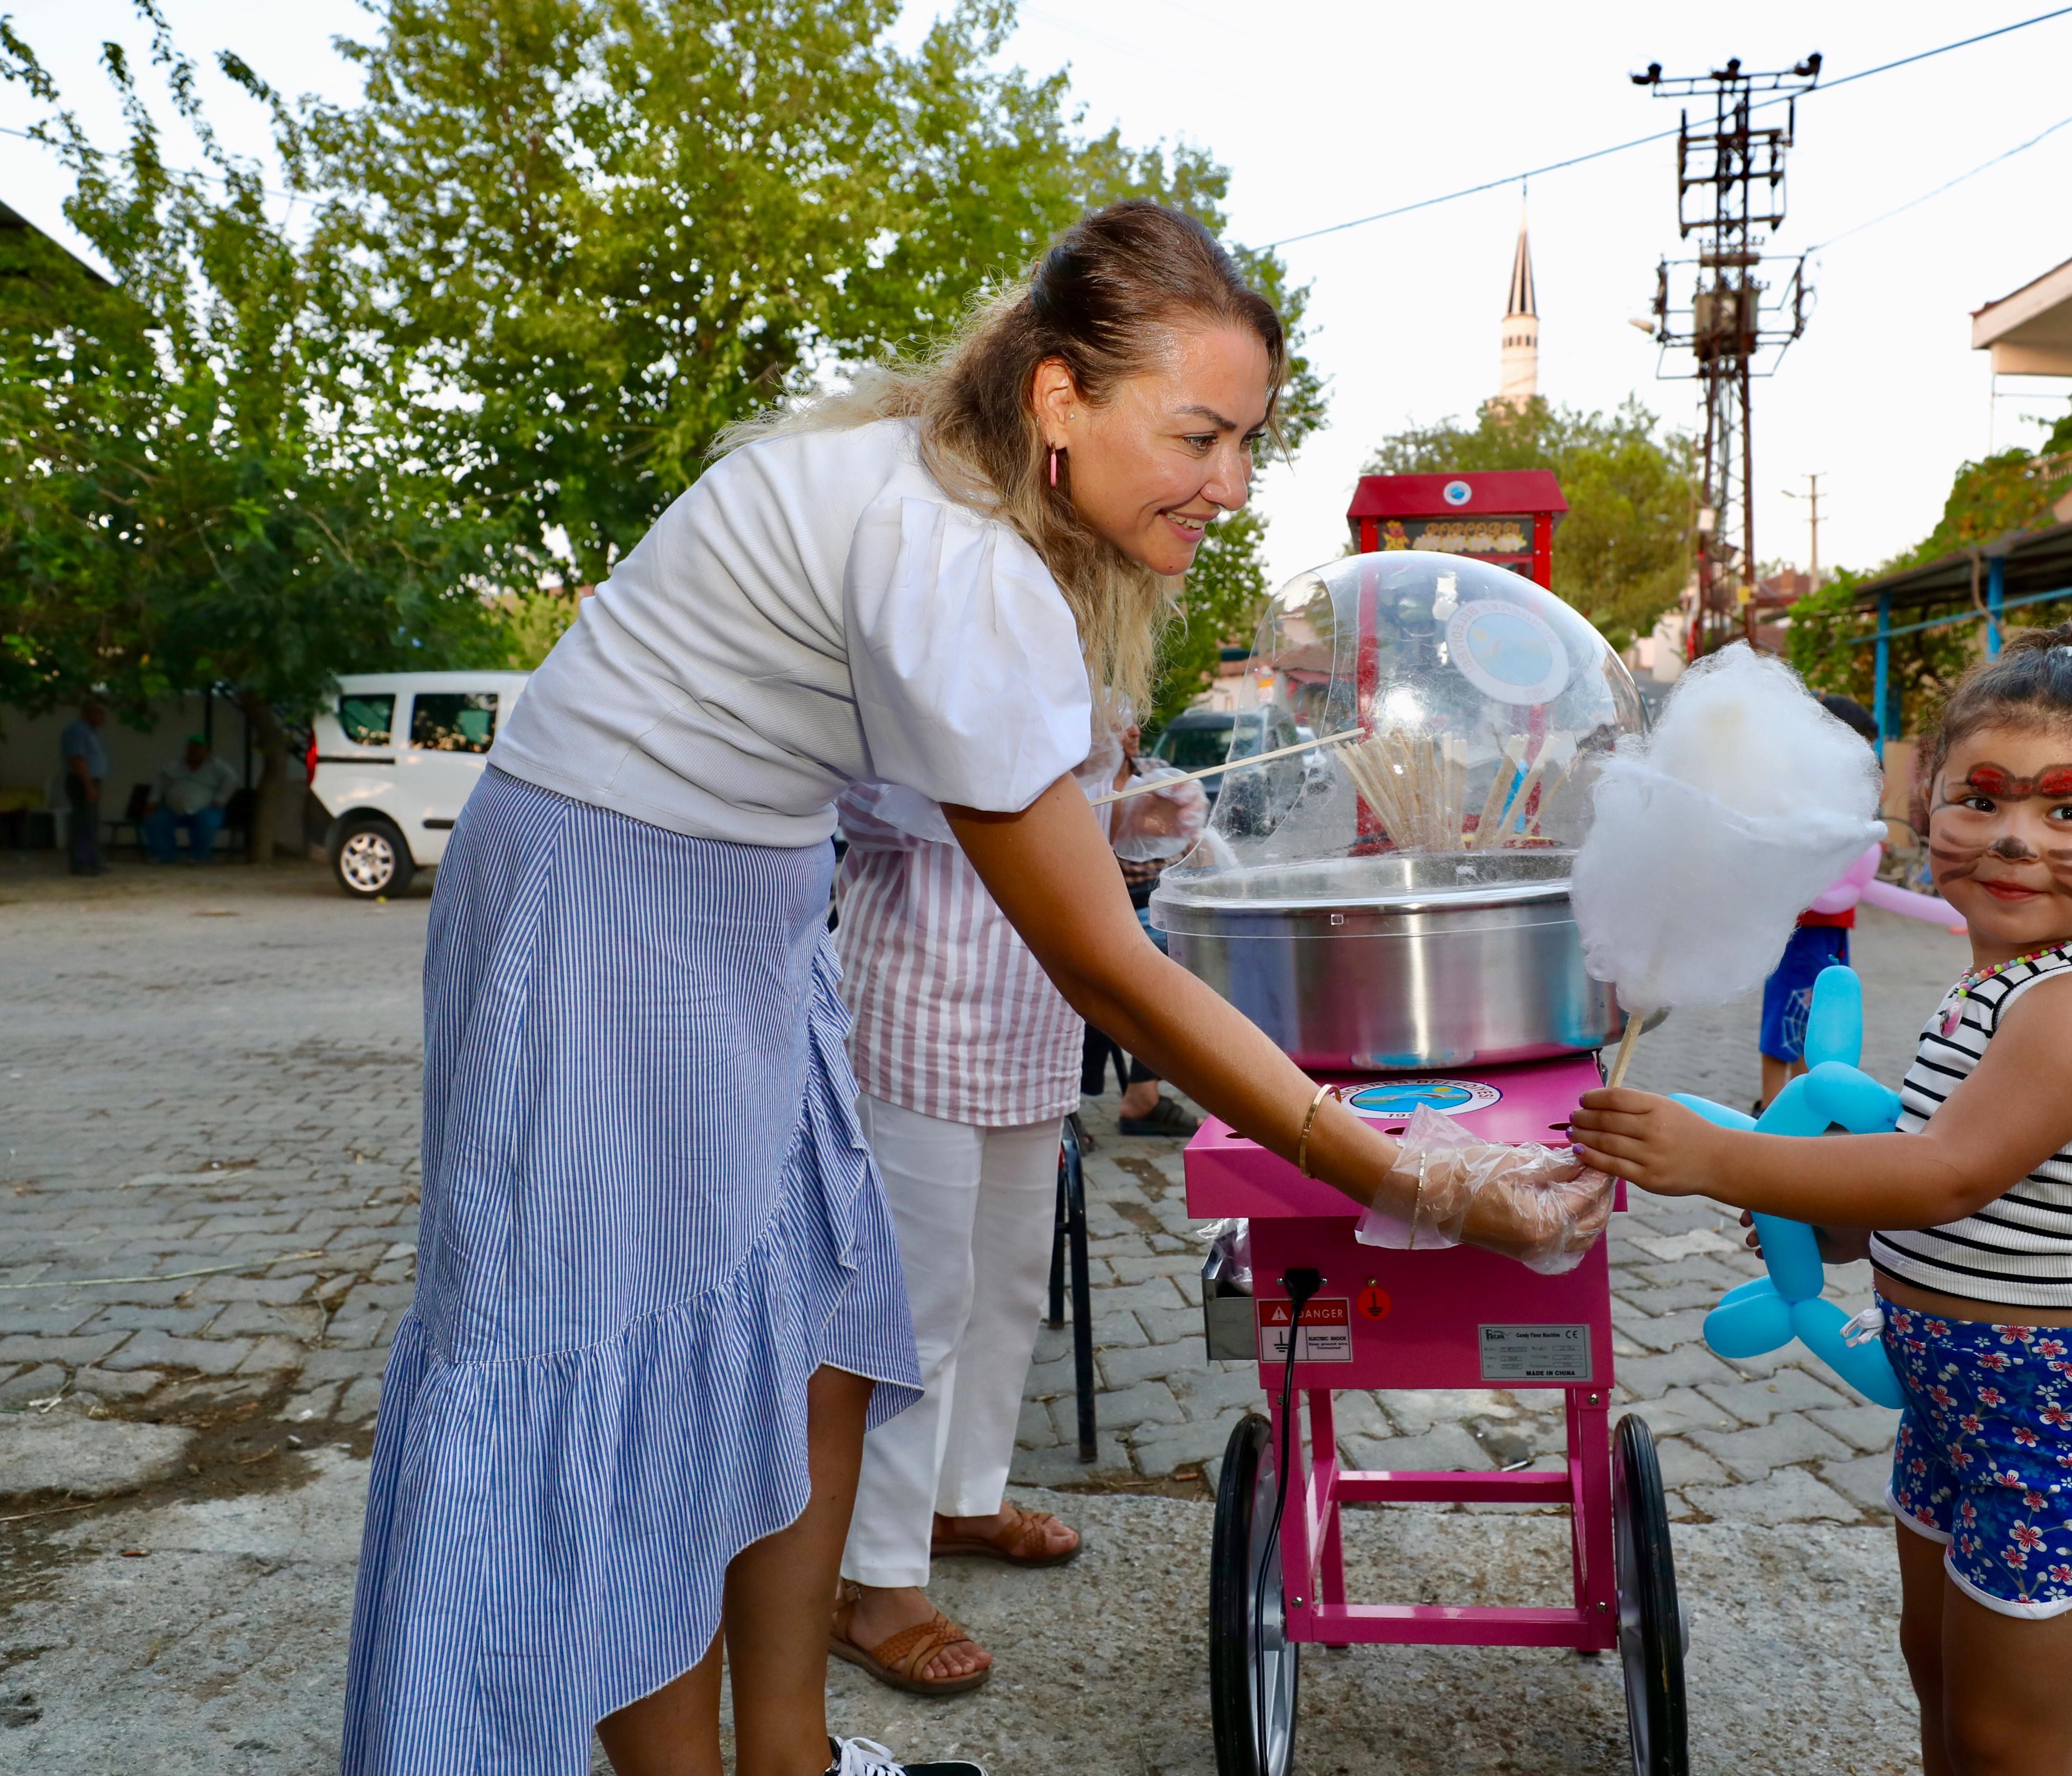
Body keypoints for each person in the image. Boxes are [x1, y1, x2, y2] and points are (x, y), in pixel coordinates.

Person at [339, 200, 1606, 1776]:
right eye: (1198, 436)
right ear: (1058, 396)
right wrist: (1394, 1165)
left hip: (740, 903)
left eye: (1246, 444)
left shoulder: (954, 493)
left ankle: (786, 1748)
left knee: (811, 1333)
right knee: (641, 1377)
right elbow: (1105, 968)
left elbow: (929, 802)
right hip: (610, 914)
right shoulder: (958, 560)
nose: (1227, 485)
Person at [1574, 621, 2072, 1776]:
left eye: (2071, 811)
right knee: (1946, 1686)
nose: (2016, 836)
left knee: (2008, 1740)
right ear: (1924, 807)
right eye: (1980, 799)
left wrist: (1716, 1158)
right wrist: (1809, 1210)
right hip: (1954, 1401)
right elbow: (1911, 1200)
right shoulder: (1994, 984)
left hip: (2063, 1425)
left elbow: (1943, 1172)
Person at [820, 715, 1201, 1697]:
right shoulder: (929, 604)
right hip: (918, 1000)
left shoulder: (1073, 649)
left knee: (1009, 1284)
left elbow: (1075, 839)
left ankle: (962, 1498)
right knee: (918, 1304)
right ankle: (876, 1575)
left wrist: (1127, 813)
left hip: (1031, 1013)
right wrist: (1043, 786)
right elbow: (866, 792)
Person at [1755, 693, 1880, 1109]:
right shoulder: (1799, 795)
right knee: (1790, 1014)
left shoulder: (1839, 796)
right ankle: (1775, 1107)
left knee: (1823, 1016)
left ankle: (1808, 1104)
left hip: (1832, 928)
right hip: (1802, 928)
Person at [1081, 721, 1206, 1136]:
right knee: (1129, 966)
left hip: (1158, 900)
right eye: (1117, 721)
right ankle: (1096, 1096)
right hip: (1107, 905)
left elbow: (1189, 843)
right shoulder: (1082, 782)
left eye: (1135, 719)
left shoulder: (1153, 771)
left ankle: (1142, 1091)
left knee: (1190, 953)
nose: (1133, 730)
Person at [142, 735, 241, 864]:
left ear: (208, 752)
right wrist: (153, 801)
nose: (194, 752)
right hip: (173, 810)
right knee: (155, 820)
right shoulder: (176, 765)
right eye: (191, 748)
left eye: (199, 748)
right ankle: (164, 856)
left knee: (208, 822)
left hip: (206, 809)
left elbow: (232, 780)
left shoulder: (218, 767)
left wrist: (221, 799)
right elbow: (160, 782)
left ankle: (199, 856)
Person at [59, 697, 110, 877]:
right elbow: (78, 760)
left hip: (93, 780)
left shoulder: (93, 732)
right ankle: (81, 864)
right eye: (100, 713)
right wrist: (88, 786)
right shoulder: (77, 731)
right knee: (83, 822)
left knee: (92, 821)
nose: (103, 717)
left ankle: (92, 861)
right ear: (87, 713)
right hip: (82, 780)